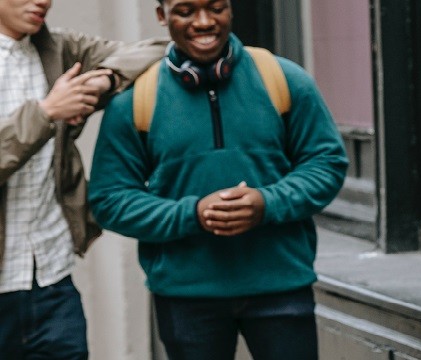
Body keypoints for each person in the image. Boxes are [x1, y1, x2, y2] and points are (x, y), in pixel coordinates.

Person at [87, 0, 348, 359]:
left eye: (216, 7)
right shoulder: (134, 100)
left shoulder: (284, 78)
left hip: (281, 287)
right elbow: (109, 198)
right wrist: (193, 214)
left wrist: (266, 203)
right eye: (186, 11)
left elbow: (327, 163)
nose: (204, 22)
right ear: (161, 16)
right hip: (186, 298)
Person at [0, 0, 166, 358]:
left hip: (52, 281)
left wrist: (106, 77)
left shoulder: (59, 48)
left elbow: (158, 49)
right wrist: (46, 113)